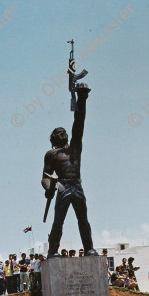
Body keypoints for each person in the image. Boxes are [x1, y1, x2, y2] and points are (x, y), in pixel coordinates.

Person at [41, 84, 98, 259]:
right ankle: (52, 251)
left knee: (83, 219)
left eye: (63, 133)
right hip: (63, 186)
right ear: (53, 139)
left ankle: (89, 248)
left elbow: (79, 121)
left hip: (77, 185)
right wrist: (50, 186)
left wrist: (82, 97)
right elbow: (45, 177)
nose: (61, 135)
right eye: (58, 134)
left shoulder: (74, 148)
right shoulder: (51, 154)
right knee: (58, 221)